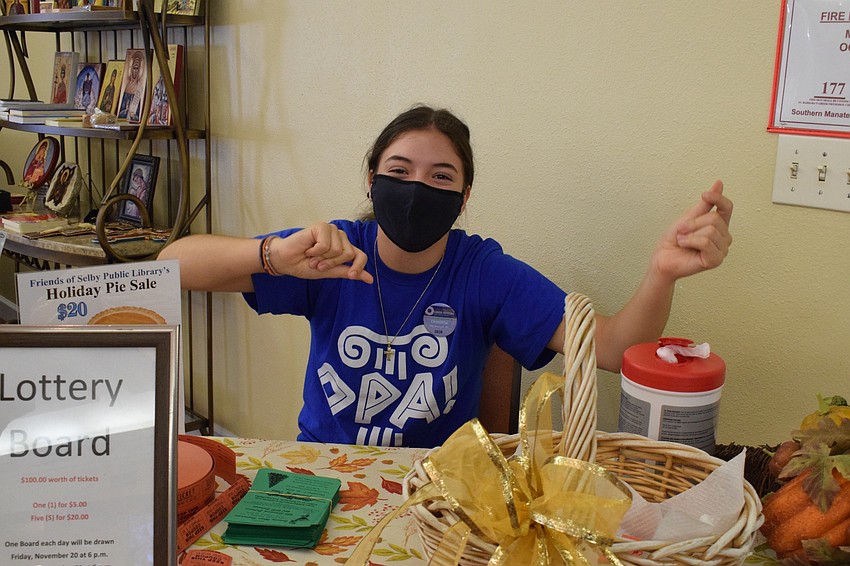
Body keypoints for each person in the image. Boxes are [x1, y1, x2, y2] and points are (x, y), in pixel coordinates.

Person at [158, 105, 733, 448]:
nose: (416, 190)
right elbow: (172, 265)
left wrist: (662, 273)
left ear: (463, 199)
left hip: (442, 486)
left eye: (440, 177)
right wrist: (271, 256)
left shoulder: (482, 270)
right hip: (325, 472)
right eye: (399, 171)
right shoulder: (330, 252)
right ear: (370, 180)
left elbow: (609, 347)